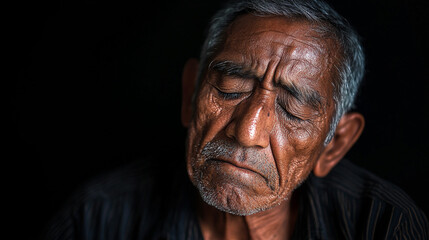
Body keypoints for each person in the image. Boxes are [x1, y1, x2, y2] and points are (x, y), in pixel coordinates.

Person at [43, 0, 428, 239]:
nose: (247, 132)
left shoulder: (383, 225)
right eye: (229, 87)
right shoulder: (98, 217)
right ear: (190, 95)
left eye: (292, 110)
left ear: (335, 144)